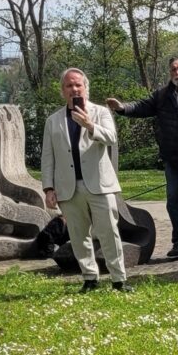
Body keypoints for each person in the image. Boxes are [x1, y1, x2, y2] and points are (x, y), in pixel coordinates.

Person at [42, 68, 133, 292]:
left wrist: (89, 125)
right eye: (69, 86)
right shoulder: (53, 121)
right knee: (78, 234)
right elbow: (47, 156)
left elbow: (111, 138)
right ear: (63, 91)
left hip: (99, 184)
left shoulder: (100, 112)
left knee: (108, 232)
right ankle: (90, 277)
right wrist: (48, 187)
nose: (74, 89)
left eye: (78, 85)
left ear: (85, 88)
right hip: (68, 187)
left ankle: (118, 279)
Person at [107, 57, 178, 259]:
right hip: (172, 159)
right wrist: (122, 108)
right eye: (173, 70)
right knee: (172, 202)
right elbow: (142, 107)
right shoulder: (162, 95)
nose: (177, 73)